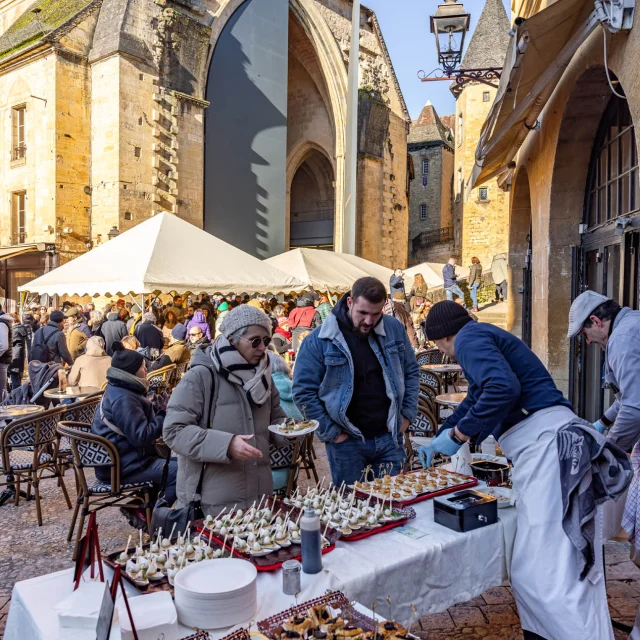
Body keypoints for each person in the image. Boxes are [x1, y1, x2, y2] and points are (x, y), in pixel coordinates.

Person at [421, 300, 630, 640]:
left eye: (441, 347)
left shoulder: (468, 341)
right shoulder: (482, 334)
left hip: (547, 448)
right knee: (547, 563)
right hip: (548, 445)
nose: (447, 354)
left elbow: (503, 388)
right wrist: (443, 434)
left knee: (549, 567)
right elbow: (478, 396)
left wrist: (459, 435)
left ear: (442, 339)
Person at [163, 304, 289, 515]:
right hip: (213, 502)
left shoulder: (265, 375)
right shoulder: (201, 376)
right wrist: (226, 444)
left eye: (266, 341)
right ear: (231, 339)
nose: (262, 348)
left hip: (259, 496)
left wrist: (290, 431)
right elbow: (174, 431)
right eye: (255, 341)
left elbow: (276, 419)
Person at [293, 277, 419, 486]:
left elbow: (411, 371)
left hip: (390, 437)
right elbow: (303, 392)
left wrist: (406, 415)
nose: (369, 321)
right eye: (363, 313)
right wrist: (332, 433)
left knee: (394, 504)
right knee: (354, 509)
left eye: (376, 314)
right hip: (346, 442)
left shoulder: (393, 328)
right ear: (350, 303)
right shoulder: (319, 340)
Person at [92, 341, 176, 516]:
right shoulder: (124, 399)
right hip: (124, 467)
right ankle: (152, 514)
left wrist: (155, 409)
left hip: (121, 460)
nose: (146, 370)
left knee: (181, 465)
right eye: (143, 367)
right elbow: (142, 436)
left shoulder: (119, 389)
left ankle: (146, 507)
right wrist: (162, 414)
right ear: (132, 371)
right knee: (182, 471)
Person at [409, 274, 430, 346]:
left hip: (419, 304)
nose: (415, 280)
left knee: (419, 321)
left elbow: (424, 294)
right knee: (414, 320)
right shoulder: (414, 284)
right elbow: (411, 294)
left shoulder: (424, 285)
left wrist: (415, 292)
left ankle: (423, 341)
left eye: (416, 278)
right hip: (413, 304)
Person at [8, 313, 26, 391]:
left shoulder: (15, 330)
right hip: (19, 357)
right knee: (17, 378)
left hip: (14, 358)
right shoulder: (20, 328)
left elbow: (10, 343)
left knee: (15, 379)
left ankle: (16, 398)